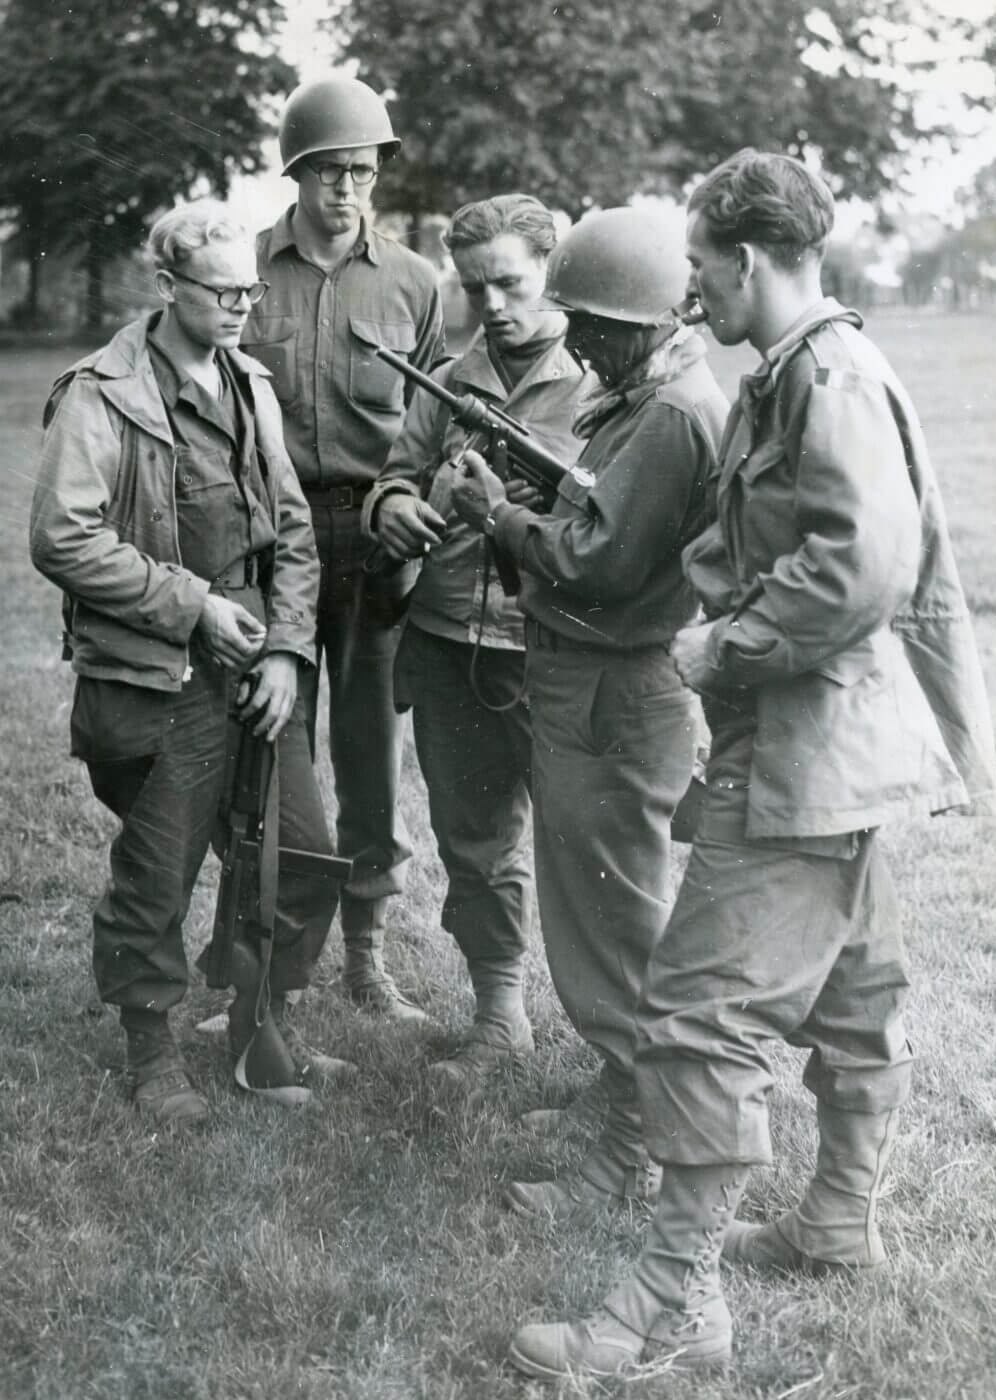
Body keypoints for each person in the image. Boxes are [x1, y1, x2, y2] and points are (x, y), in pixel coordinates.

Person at [507, 149, 996, 1381]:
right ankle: (837, 1214)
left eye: (703, 273)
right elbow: (887, 567)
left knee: (698, 1015)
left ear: (744, 258)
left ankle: (668, 1310)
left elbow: (868, 566)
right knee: (852, 989)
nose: (692, 301)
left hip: (803, 750)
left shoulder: (823, 377)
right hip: (844, 743)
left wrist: (723, 640)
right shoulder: (808, 369)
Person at [29, 200, 348, 1126]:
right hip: (163, 660)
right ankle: (150, 1046)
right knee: (160, 860)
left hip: (255, 647)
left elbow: (291, 528)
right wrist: (191, 605)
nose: (244, 305)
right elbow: (62, 535)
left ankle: (261, 1016)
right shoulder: (102, 392)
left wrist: (287, 648)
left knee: (300, 846)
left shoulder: (249, 380)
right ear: (168, 289)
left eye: (251, 288)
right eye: (223, 291)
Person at [450, 208, 728, 1214]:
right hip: (599, 680)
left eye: (593, 323)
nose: (577, 340)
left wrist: (496, 513)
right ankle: (620, 1099)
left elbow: (595, 561)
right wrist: (544, 486)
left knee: (612, 923)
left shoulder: (667, 412)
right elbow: (603, 512)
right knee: (597, 909)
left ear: (642, 320)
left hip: (614, 685)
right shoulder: (651, 393)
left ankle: (631, 1153)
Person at [361, 193, 594, 1093]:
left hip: (559, 644)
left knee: (585, 845)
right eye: (475, 287)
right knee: (473, 839)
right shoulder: (451, 379)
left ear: (554, 271)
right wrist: (396, 509)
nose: (493, 304)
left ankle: (618, 1046)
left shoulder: (603, 376)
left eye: (511, 282)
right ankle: (499, 1013)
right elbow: (393, 472)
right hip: (452, 639)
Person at [243, 76, 446, 1022]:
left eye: (361, 173)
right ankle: (264, 956)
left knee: (369, 750)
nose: (346, 192)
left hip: (373, 539)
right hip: (273, 540)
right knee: (271, 746)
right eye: (327, 173)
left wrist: (410, 509)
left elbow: (441, 423)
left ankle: (366, 957)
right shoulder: (250, 272)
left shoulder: (412, 281)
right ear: (296, 175)